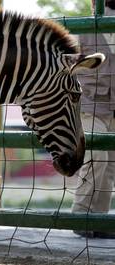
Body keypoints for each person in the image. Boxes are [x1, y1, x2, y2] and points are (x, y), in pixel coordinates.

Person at [72, 0, 115, 238]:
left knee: (109, 164)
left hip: (112, 107)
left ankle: (99, 219)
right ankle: (80, 216)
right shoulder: (85, 28)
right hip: (90, 105)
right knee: (97, 155)